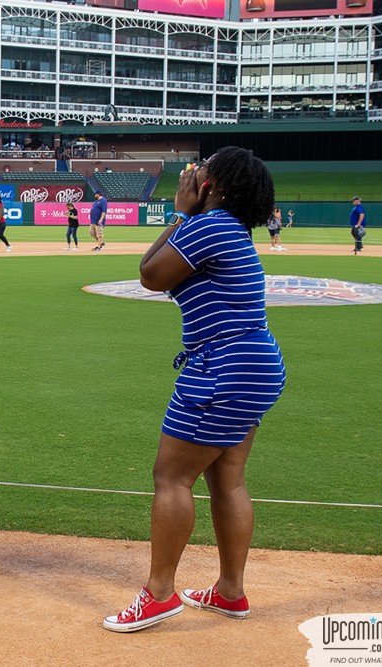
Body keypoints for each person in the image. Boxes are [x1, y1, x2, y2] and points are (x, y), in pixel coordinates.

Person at [103, 146, 285, 634]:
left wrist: (181, 212)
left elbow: (149, 273)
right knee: (228, 480)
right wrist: (188, 215)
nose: (192, 174)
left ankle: (159, 594)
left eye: (201, 171)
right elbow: (160, 273)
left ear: (215, 186)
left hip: (221, 366)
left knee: (171, 478)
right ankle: (230, 591)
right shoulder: (231, 228)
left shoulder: (209, 224)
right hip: (255, 364)